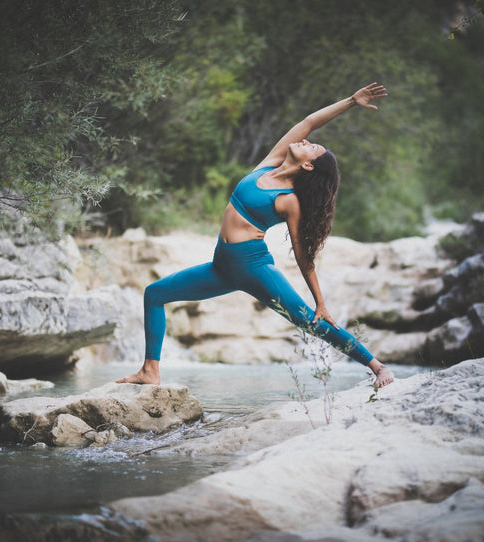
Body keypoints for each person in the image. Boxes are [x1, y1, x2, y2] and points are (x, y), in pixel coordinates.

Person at [117, 82, 394, 388]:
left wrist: (321, 301)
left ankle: (377, 366)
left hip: (253, 268)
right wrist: (351, 102)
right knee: (154, 294)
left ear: (308, 165)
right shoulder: (271, 163)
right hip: (220, 268)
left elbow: (304, 256)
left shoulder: (289, 200)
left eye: (312, 147)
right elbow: (309, 121)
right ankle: (150, 371)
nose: (306, 139)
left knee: (308, 320)